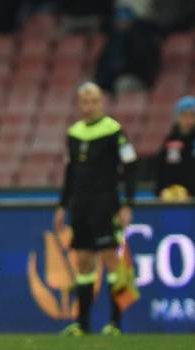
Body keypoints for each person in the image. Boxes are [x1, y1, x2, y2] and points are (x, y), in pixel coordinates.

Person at [53, 82, 137, 336]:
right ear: (79, 105)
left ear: (101, 103)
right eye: (84, 102)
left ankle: (115, 324)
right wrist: (62, 205)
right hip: (80, 206)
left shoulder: (114, 130)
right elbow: (70, 173)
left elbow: (131, 166)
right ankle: (83, 325)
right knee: (84, 261)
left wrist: (127, 203)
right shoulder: (74, 133)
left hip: (106, 204)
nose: (89, 106)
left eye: (94, 101)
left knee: (112, 260)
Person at [95, 6, 161, 94]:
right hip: (112, 78)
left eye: (124, 20)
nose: (121, 23)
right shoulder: (113, 40)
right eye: (119, 20)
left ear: (131, 21)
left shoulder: (142, 39)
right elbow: (103, 63)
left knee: (122, 84)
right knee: (88, 87)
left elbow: (144, 64)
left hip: (136, 78)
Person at [155, 95, 195, 200]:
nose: (189, 120)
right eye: (184, 115)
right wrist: (161, 190)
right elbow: (162, 168)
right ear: (178, 117)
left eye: (192, 115)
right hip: (173, 197)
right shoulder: (171, 139)